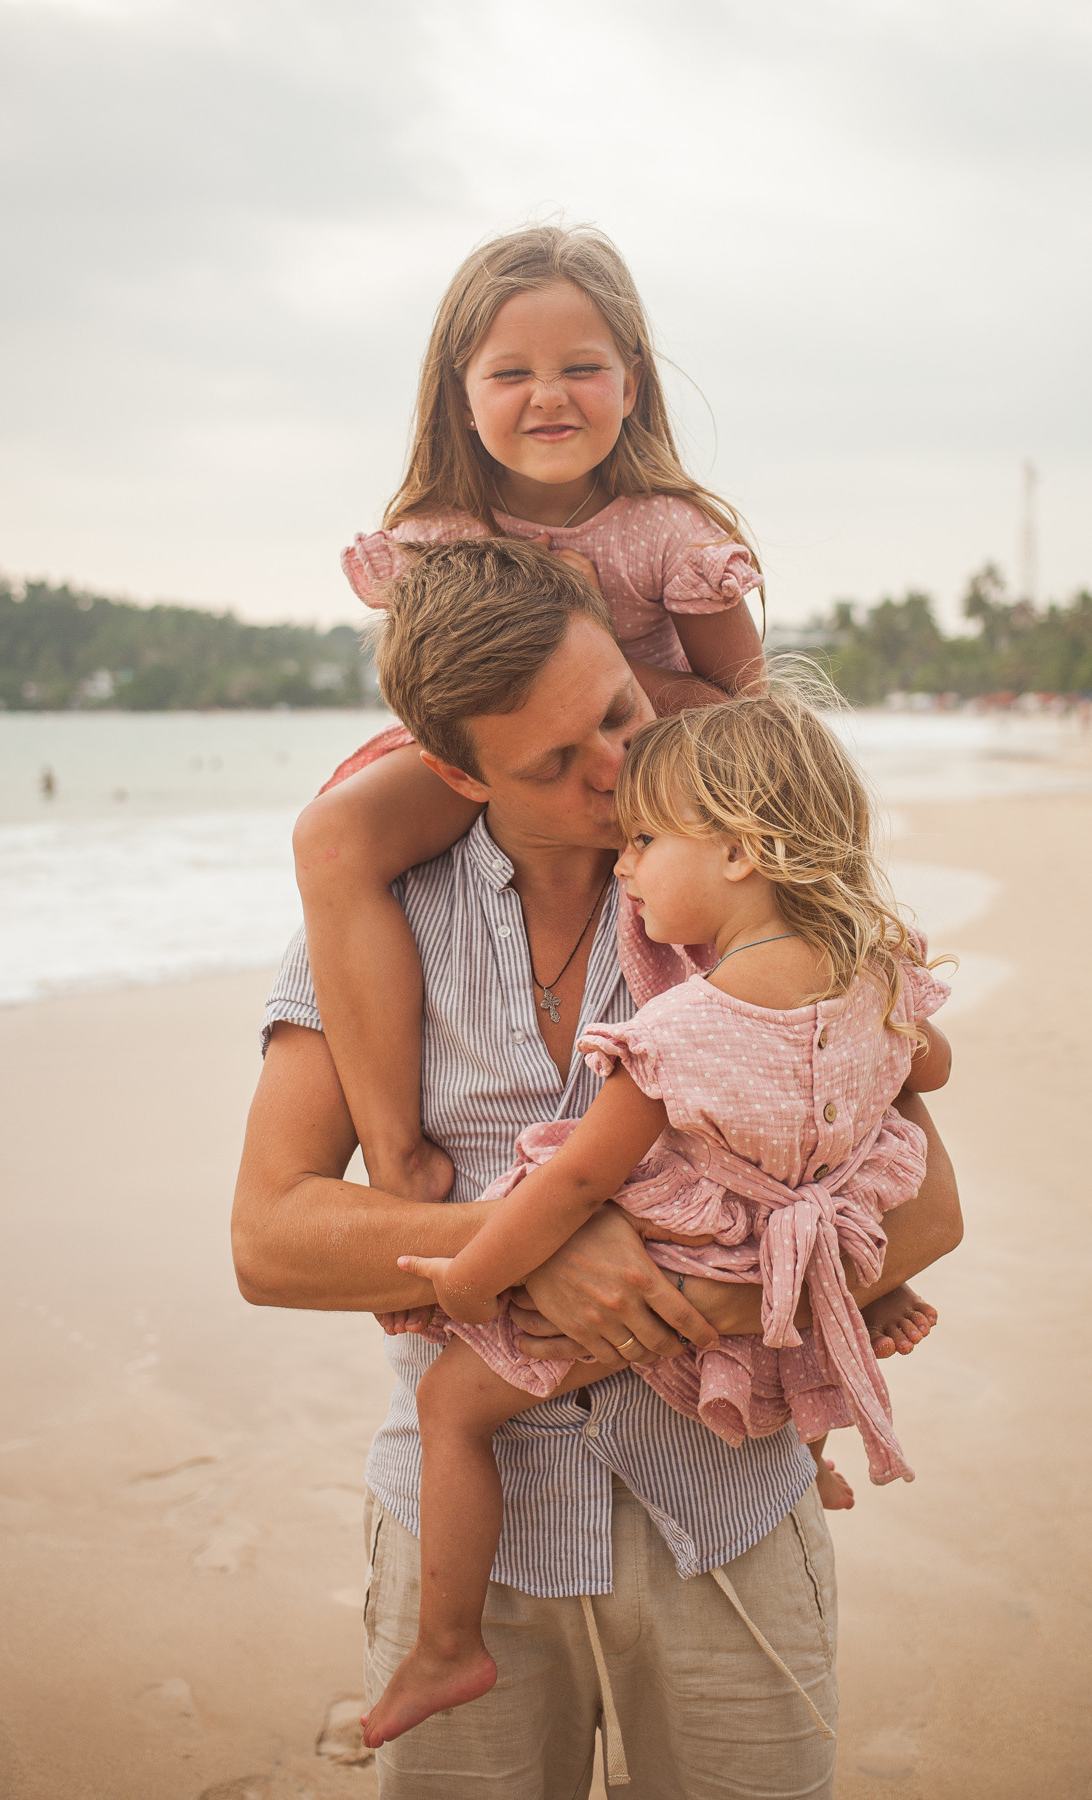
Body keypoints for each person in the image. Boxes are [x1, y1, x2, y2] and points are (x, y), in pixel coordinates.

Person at [233, 538, 960, 1799]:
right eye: (554, 765)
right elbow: (270, 1238)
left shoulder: (759, 907)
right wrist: (536, 1243)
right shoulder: (375, 926)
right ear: (455, 771)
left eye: (619, 716)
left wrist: (718, 1300)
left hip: (726, 1515)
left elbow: (933, 1206)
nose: (618, 772)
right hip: (467, 1537)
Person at [358, 683, 952, 1750]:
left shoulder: (681, 1028)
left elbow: (578, 1186)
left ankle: (448, 1644)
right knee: (827, 1202)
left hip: (690, 1253)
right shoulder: (875, 979)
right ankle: (804, 1426)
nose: (626, 868)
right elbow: (927, 1063)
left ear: (737, 852)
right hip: (806, 1224)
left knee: (453, 1405)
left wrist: (466, 1282)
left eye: (644, 841)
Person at [294, 223, 770, 1210]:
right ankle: (395, 1150)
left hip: (651, 757)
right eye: (510, 372)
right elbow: (433, 696)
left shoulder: (672, 535)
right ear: (460, 396)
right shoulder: (433, 536)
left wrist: (610, 667)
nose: (548, 395)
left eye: (581, 368)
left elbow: (749, 712)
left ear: (631, 384)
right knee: (333, 837)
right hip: (496, 760)